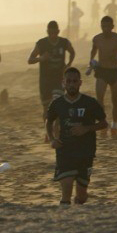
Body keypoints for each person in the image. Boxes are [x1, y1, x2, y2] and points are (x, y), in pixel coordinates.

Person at [46, 67, 108, 205]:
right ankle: (65, 219)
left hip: (86, 152)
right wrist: (52, 139)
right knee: (66, 189)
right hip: (65, 151)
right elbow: (48, 121)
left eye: (75, 81)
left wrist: (86, 128)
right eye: (69, 81)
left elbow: (104, 123)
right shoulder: (57, 104)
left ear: (80, 83)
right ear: (63, 83)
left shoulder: (90, 103)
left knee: (81, 196)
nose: (72, 84)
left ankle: (80, 202)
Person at [89, 16, 117, 137]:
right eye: (103, 26)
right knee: (99, 101)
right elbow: (93, 52)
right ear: (101, 27)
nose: (106, 29)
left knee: (115, 100)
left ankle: (114, 124)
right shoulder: (97, 39)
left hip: (114, 72)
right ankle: (103, 124)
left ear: (112, 27)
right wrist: (91, 62)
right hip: (102, 71)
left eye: (108, 26)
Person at [28, 21, 76, 114]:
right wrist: (41, 58)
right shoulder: (41, 43)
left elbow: (72, 52)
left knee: (58, 104)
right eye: (50, 33)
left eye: (55, 33)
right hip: (45, 80)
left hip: (59, 79)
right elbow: (30, 60)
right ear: (47, 32)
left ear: (58, 31)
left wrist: (68, 65)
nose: (53, 35)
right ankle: (48, 128)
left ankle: (56, 128)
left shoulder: (64, 42)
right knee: (46, 108)